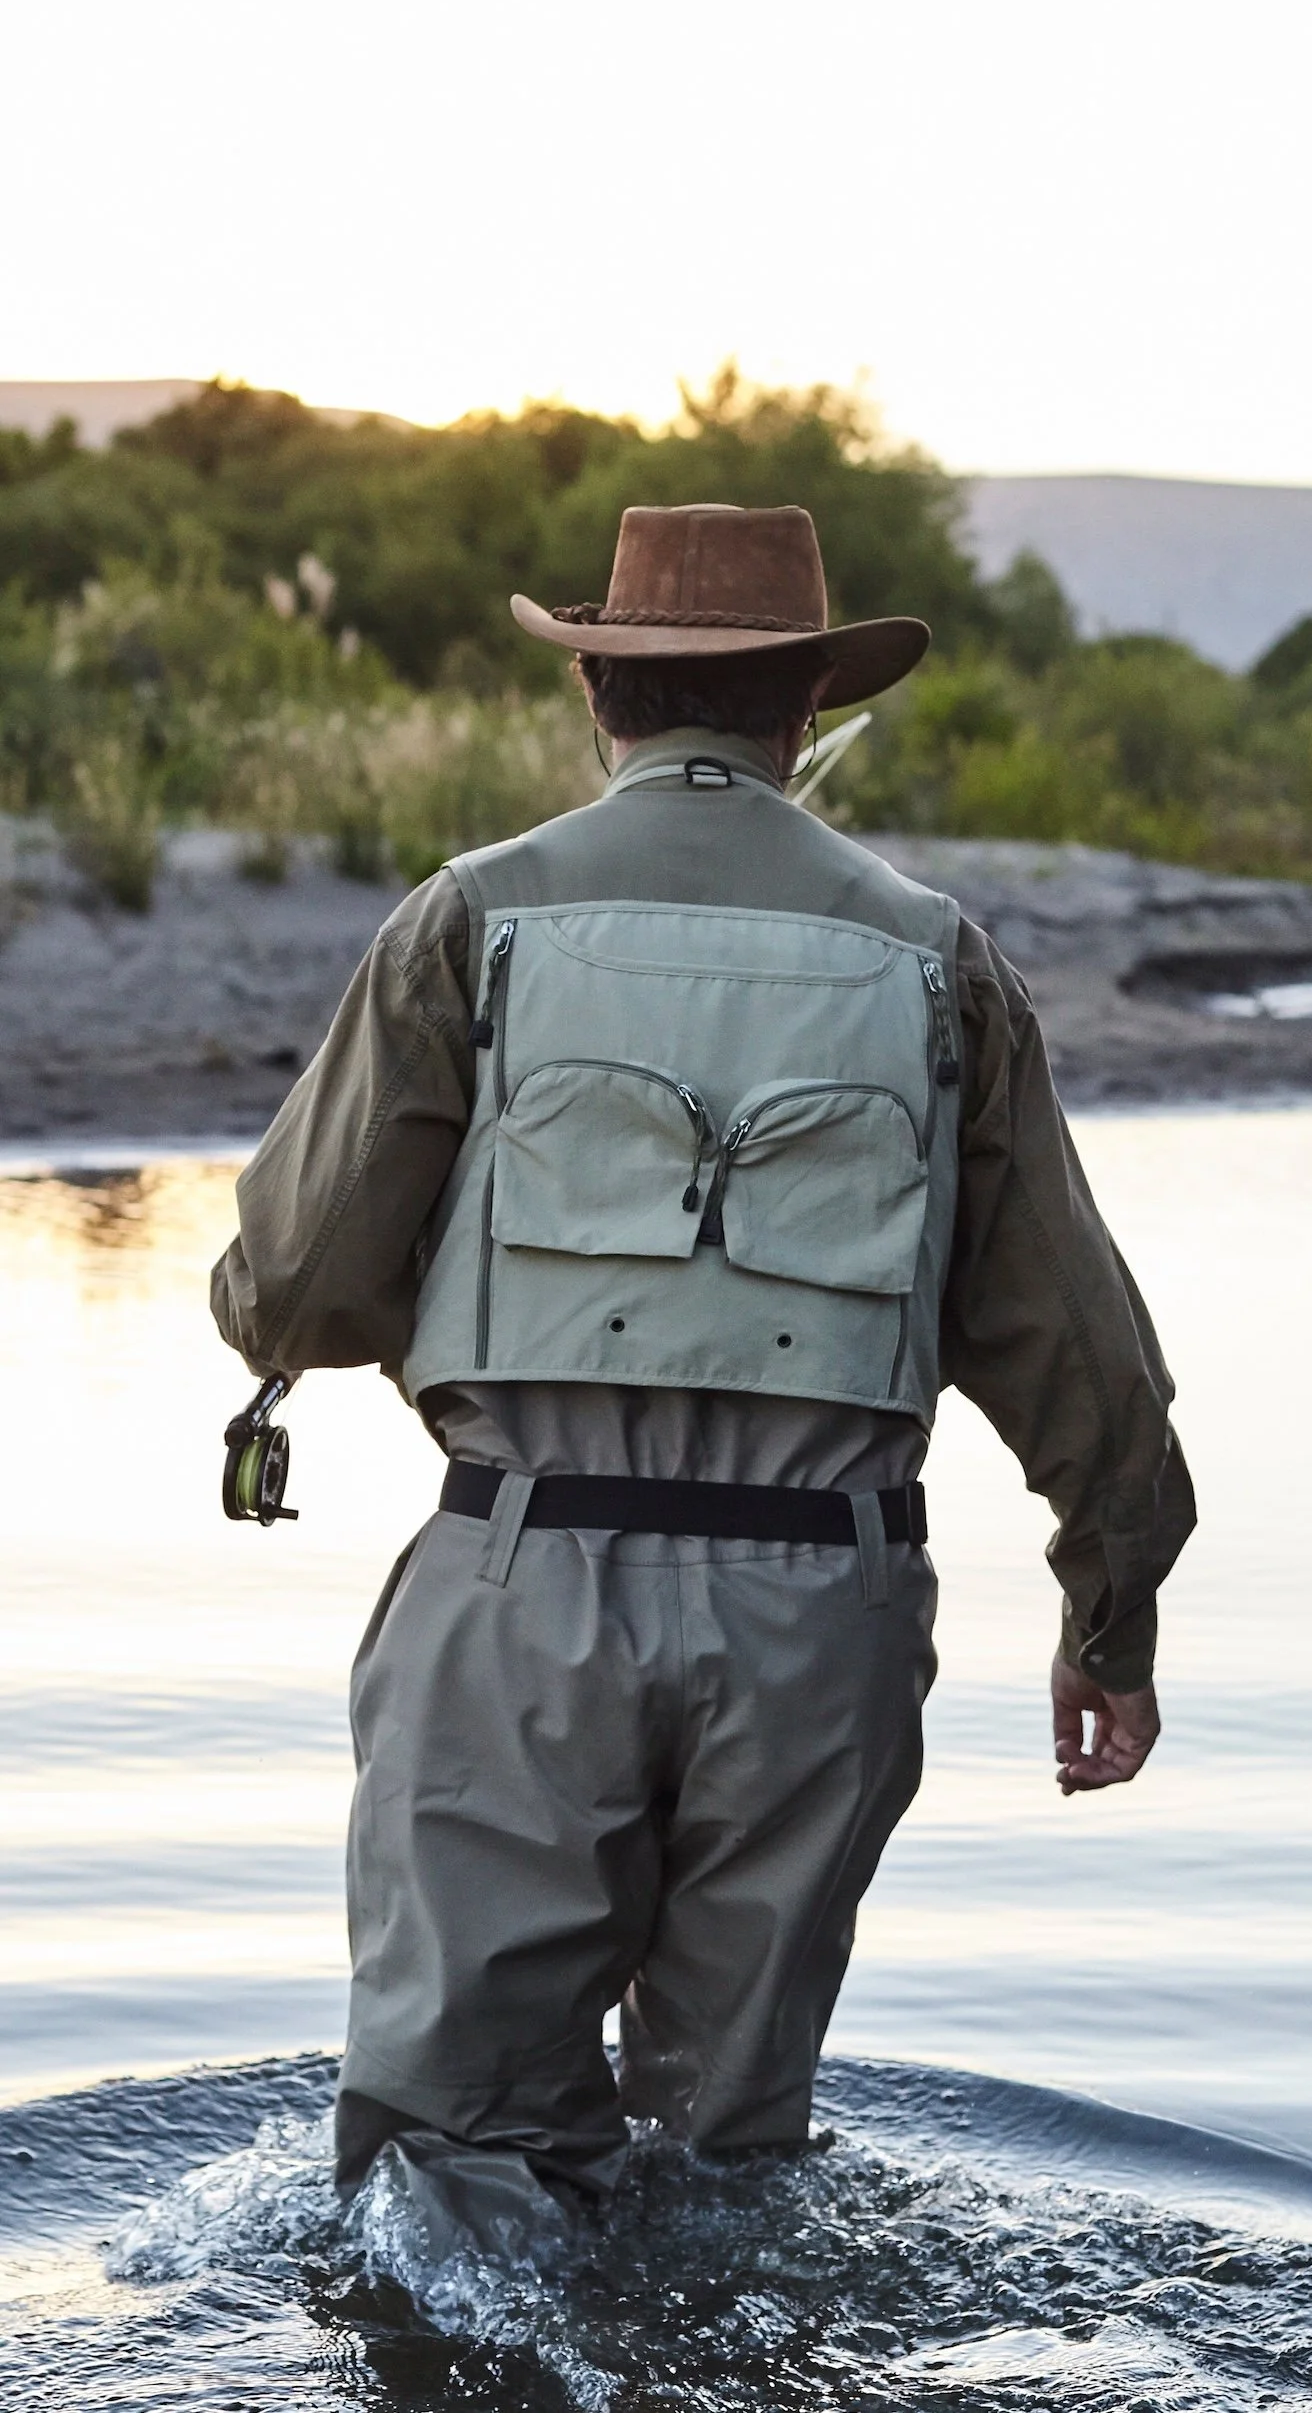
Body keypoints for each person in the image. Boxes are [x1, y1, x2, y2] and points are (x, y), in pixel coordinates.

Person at [209, 503, 1194, 2232]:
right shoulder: (941, 960)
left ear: (599, 689)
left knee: (449, 2158)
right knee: (722, 2171)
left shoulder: (470, 919)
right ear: (805, 706)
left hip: (525, 1588)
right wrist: (1109, 1619)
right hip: (828, 1615)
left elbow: (295, 1284)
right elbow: (1084, 1355)